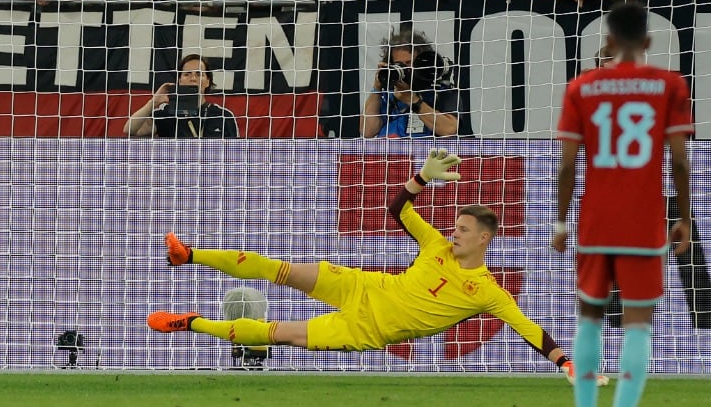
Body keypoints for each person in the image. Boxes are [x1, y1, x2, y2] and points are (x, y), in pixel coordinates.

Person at [147, 148, 584, 376]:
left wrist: (566, 364)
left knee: (278, 333)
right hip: (364, 286)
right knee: (282, 268)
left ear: (484, 238)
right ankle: (189, 254)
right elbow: (399, 211)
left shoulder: (489, 292)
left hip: (366, 329)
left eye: (464, 230)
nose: (454, 232)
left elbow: (530, 330)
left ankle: (190, 322)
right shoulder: (436, 245)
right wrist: (421, 179)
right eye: (455, 226)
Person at [552, 2, 693, 407]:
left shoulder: (582, 87)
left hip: (595, 223)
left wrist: (559, 221)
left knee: (589, 317)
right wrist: (683, 216)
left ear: (607, 41)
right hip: (643, 224)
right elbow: (678, 159)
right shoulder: (669, 85)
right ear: (648, 42)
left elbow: (568, 166)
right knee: (637, 326)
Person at [125, 53, 241, 138]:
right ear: (179, 81)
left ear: (207, 81)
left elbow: (237, 155)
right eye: (187, 74)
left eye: (199, 74)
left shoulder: (223, 115)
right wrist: (153, 102)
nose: (193, 78)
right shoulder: (167, 113)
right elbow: (130, 130)